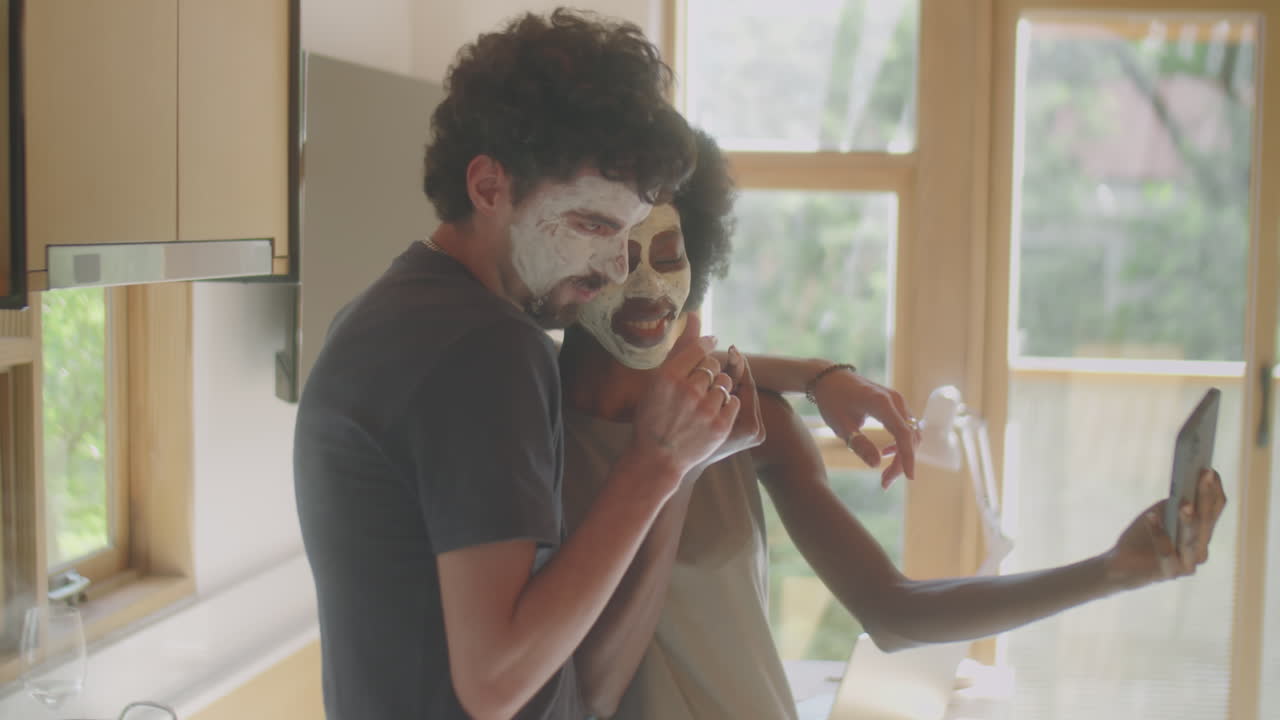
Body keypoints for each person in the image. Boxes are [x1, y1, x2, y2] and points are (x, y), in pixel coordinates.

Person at [558, 128, 1229, 720]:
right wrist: (692, 456)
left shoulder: (748, 413)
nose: (645, 285)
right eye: (619, 253)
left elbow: (897, 612)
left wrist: (1110, 570)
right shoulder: (535, 423)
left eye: (670, 256)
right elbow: (592, 687)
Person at [293, 11, 763, 719]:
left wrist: (804, 374)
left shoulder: (378, 316)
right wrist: (657, 464)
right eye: (595, 227)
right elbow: (498, 681)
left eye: (631, 235)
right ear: (488, 187)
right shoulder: (488, 351)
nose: (612, 270)